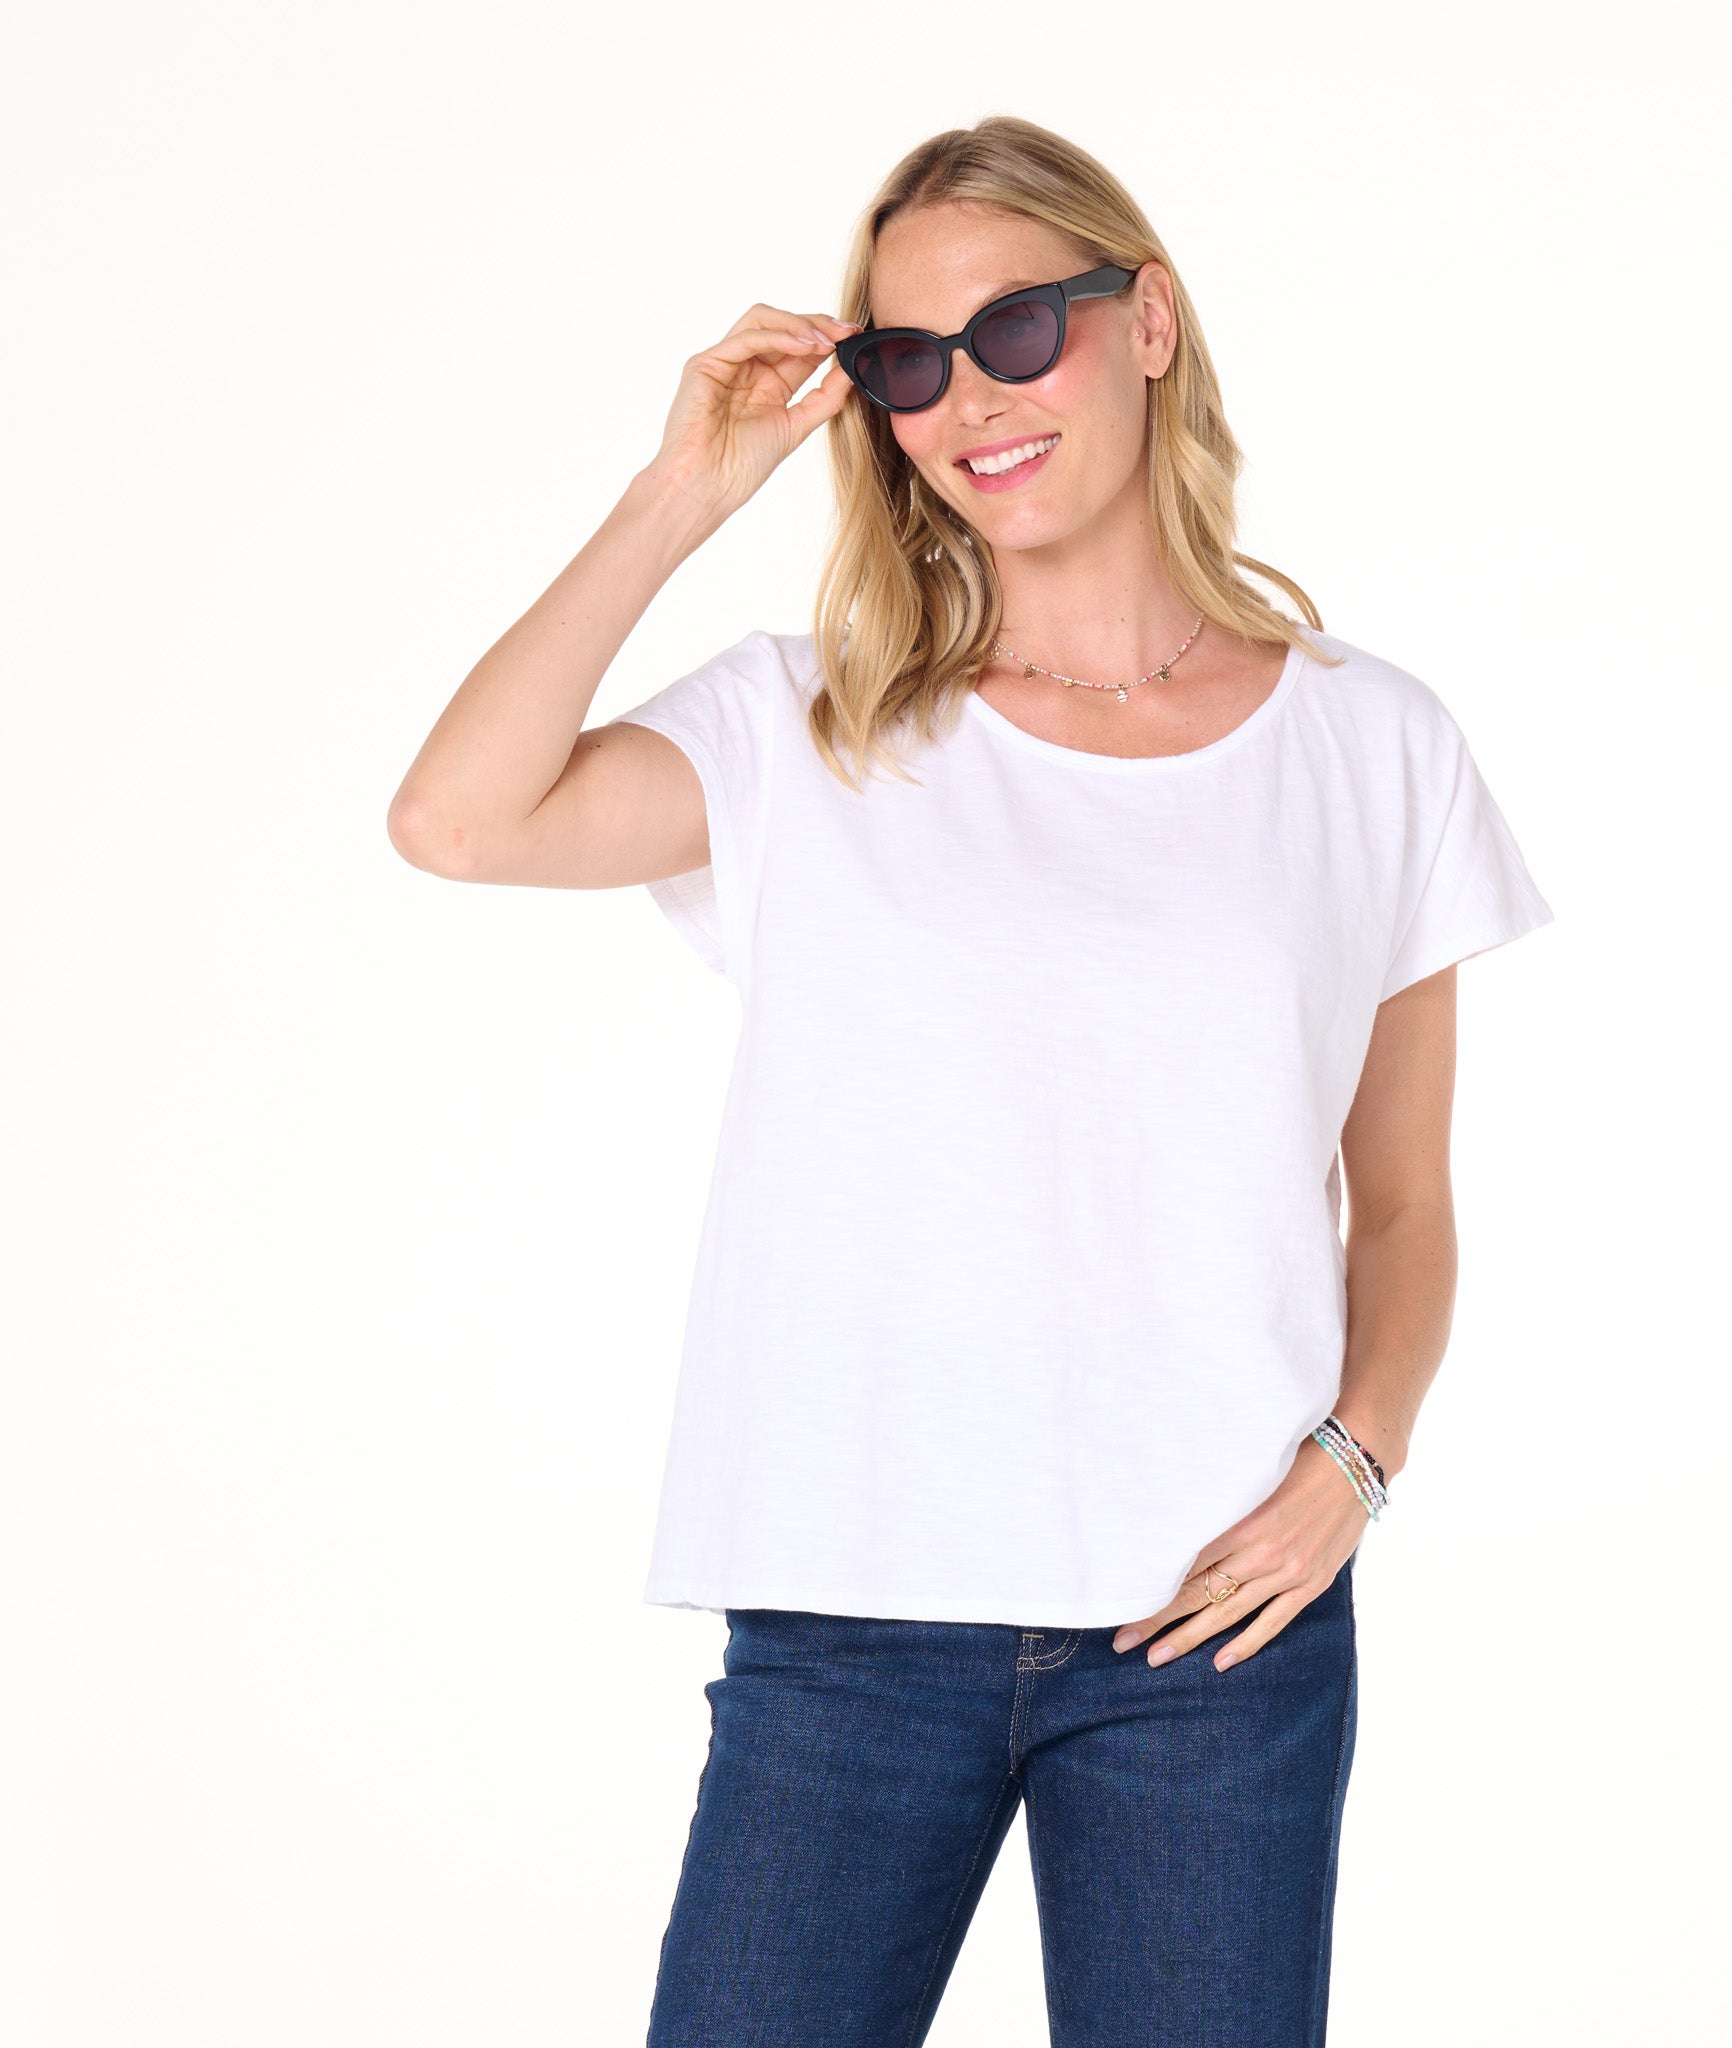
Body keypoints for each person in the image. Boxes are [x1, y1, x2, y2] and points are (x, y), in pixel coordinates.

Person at [388, 113, 1553, 2048]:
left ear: (1148, 322)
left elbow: (1408, 1201)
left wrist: (1355, 1466)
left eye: (1016, 332)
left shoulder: (1372, 744)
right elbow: (457, 820)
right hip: (850, 1617)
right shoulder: (810, 723)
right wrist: (682, 492)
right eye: (908, 363)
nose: (968, 403)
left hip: (1214, 1633)